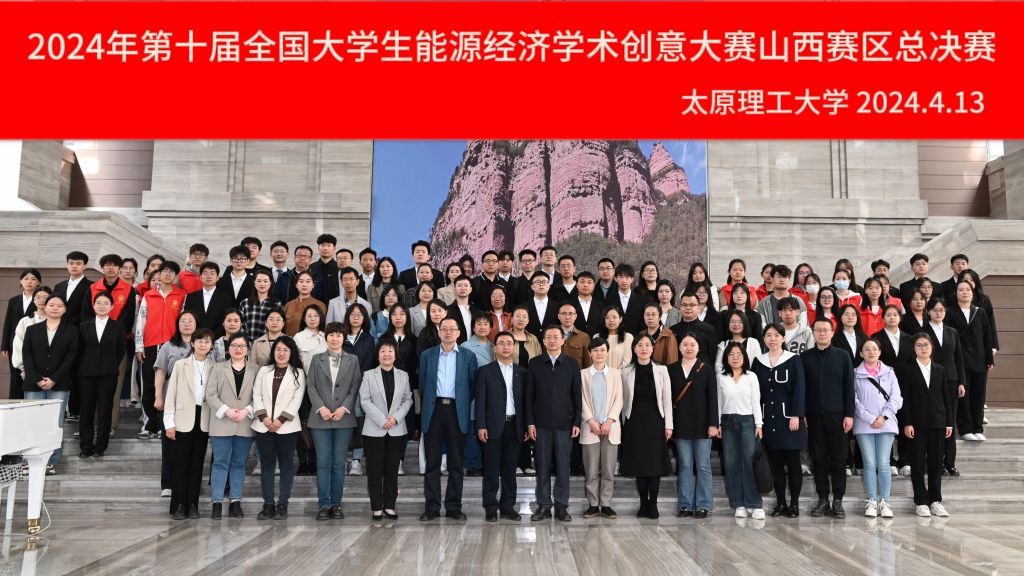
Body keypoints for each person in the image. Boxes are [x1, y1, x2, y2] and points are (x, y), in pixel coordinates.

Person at [419, 317, 478, 521]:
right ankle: (431, 507)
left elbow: (472, 386)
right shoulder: (427, 355)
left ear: (459, 333)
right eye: (444, 329)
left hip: (456, 411)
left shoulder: (468, 356)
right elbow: (423, 384)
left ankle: (454, 507)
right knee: (432, 463)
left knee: (456, 463)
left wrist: (460, 402)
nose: (448, 332)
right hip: (434, 410)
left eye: (452, 329)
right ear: (439, 332)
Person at [800, 319, 855, 519]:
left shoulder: (843, 356)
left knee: (839, 459)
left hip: (838, 416)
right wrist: (803, 414)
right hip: (814, 417)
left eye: (826, 330)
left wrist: (849, 414)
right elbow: (801, 389)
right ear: (813, 333)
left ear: (832, 333)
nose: (822, 333)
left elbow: (849, 387)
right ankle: (823, 499)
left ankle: (838, 500)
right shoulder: (805, 357)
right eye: (818, 330)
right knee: (819, 459)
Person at [526, 325, 581, 522]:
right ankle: (544, 505)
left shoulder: (572, 365)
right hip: (541, 425)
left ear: (562, 340)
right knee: (542, 466)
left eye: (556, 337)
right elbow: (529, 396)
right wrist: (530, 423)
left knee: (563, 466)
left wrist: (577, 422)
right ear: (543, 341)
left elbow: (577, 396)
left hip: (565, 425)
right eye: (548, 337)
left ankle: (561, 506)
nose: (552, 340)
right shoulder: (534, 364)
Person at [306, 322, 361, 520]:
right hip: (320, 418)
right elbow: (311, 385)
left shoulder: (353, 360)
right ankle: (324, 504)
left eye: (339, 335)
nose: (335, 338)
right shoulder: (316, 359)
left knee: (338, 463)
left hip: (343, 418)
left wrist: (343, 408)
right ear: (326, 337)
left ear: (344, 338)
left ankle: (336, 504)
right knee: (323, 462)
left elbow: (355, 386)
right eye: (331, 335)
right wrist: (320, 407)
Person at [752, 324, 807, 519]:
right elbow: (754, 392)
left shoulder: (793, 359)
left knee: (793, 464)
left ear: (783, 338)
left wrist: (796, 415)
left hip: (789, 420)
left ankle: (794, 503)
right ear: (764, 339)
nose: (772, 339)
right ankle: (781, 502)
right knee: (775, 465)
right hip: (768, 420)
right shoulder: (758, 362)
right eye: (768, 335)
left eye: (776, 335)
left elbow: (800, 389)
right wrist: (757, 420)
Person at [896, 333, 952, 518]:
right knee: (918, 463)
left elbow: (946, 398)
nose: (923, 348)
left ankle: (935, 501)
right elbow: (905, 399)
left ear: (931, 347)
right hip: (916, 424)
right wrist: (907, 423)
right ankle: (921, 501)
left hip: (938, 422)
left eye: (926, 345)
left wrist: (949, 423)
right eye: (919, 345)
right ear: (914, 348)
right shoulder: (907, 370)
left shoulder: (940, 369)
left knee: (936, 463)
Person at [22, 294, 79, 473]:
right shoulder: (32, 329)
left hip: (59, 384)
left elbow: (71, 357)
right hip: (34, 384)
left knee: (55, 423)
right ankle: (28, 460)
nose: (55, 308)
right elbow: (27, 356)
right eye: (51, 304)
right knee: (32, 422)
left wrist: (54, 378)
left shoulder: (72, 330)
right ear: (44, 307)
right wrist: (37, 379)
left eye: (59, 305)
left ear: (65, 309)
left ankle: (51, 460)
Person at [252, 336, 306, 520]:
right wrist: (265, 418)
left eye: (285, 350)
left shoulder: (298, 373)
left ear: (291, 353)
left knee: (286, 466)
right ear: (273, 352)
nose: (281, 353)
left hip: (287, 427)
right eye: (278, 349)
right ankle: (268, 504)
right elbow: (256, 395)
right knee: (267, 466)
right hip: (263, 426)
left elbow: (297, 400)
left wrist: (280, 420)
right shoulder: (264, 371)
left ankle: (283, 504)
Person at [163, 328, 215, 520]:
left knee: (197, 465)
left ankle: (192, 504)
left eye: (207, 341)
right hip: (183, 418)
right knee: (180, 464)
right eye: (199, 341)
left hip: (204, 419)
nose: (203, 344)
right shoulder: (180, 365)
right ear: (192, 343)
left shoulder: (214, 367)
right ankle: (178, 505)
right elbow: (171, 394)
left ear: (211, 345)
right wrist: (169, 422)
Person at [476, 331, 528, 522]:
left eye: (509, 343)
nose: (505, 346)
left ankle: (508, 507)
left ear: (514, 347)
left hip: (515, 426)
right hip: (492, 427)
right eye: (501, 343)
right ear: (495, 348)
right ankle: (490, 507)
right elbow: (480, 401)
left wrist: (526, 426)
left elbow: (526, 403)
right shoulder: (485, 371)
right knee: (491, 470)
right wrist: (481, 425)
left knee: (510, 471)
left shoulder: (522, 372)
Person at [360, 339, 414, 521]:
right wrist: (382, 420)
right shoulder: (369, 375)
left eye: (390, 351)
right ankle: (376, 507)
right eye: (383, 351)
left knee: (392, 469)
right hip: (374, 429)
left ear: (395, 355)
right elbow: (365, 400)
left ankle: (390, 506)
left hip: (396, 429)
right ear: (378, 355)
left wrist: (396, 417)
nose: (387, 354)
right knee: (374, 469)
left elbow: (408, 399)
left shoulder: (403, 375)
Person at [620, 334, 673, 519]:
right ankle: (643, 504)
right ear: (634, 349)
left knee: (654, 464)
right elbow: (623, 399)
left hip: (655, 421)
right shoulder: (625, 371)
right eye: (640, 345)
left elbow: (667, 399)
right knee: (640, 464)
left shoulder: (662, 370)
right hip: (633, 422)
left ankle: (654, 504)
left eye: (647, 345)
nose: (644, 348)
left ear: (652, 348)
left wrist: (669, 425)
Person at [205, 333, 257, 519]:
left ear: (247, 349)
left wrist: (247, 410)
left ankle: (235, 501)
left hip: (245, 422)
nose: (238, 349)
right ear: (228, 348)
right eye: (234, 345)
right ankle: (217, 502)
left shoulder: (256, 370)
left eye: (242, 346)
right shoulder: (218, 368)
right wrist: (226, 410)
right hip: (221, 423)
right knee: (220, 463)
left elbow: (260, 395)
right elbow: (210, 395)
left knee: (238, 464)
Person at [853, 338, 903, 519]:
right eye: (866, 349)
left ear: (880, 352)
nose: (871, 352)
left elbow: (897, 398)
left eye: (874, 348)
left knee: (883, 464)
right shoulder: (855, 374)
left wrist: (883, 417)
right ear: (861, 353)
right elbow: (853, 400)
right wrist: (869, 418)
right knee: (869, 464)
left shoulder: (889, 372)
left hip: (886, 424)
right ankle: (872, 501)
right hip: (864, 424)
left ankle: (885, 502)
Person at [135, 262, 187, 439]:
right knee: (149, 385)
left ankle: (165, 425)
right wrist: (139, 346)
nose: (168, 274)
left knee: (170, 386)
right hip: (150, 345)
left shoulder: (181, 295)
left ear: (176, 276)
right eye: (165, 271)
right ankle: (149, 424)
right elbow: (141, 321)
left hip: (173, 346)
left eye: (172, 272)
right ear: (159, 273)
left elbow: (184, 321)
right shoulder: (149, 295)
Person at [669, 334, 718, 518]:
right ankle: (685, 505)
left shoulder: (706, 369)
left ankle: (703, 505)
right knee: (685, 465)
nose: (689, 348)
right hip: (681, 424)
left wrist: (713, 423)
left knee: (703, 465)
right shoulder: (672, 369)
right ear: (679, 348)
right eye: (685, 344)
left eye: (692, 344)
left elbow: (713, 398)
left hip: (703, 425)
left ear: (698, 348)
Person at [716, 341, 765, 519]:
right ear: (726, 358)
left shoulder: (751, 376)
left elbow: (756, 401)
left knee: (749, 462)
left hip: (747, 421)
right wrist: (718, 423)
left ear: (744, 357)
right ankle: (738, 504)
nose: (735, 358)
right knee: (731, 463)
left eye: (739, 354)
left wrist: (759, 424)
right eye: (731, 354)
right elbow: (718, 402)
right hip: (727, 422)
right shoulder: (721, 378)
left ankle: (755, 504)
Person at [77, 292, 126, 458]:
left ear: (112, 306)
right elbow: (79, 350)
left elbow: (120, 350)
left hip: (108, 374)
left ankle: (100, 447)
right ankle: (86, 446)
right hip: (86, 374)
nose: (102, 306)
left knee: (105, 410)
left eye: (106, 303)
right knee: (86, 410)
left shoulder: (118, 326)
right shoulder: (84, 326)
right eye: (98, 302)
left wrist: (110, 364)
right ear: (93, 305)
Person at [578, 337, 622, 519]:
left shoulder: (615, 374)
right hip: (590, 428)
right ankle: (593, 504)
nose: (599, 353)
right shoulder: (582, 374)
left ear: (607, 352)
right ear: (590, 353)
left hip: (611, 428)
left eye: (602, 350)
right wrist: (591, 421)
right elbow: (580, 400)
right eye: (595, 350)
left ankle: (606, 504)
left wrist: (610, 420)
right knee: (591, 470)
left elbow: (619, 399)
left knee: (608, 470)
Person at [945, 279, 994, 442]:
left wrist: (989, 359)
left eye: (968, 289)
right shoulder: (950, 313)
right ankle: (965, 429)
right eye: (961, 290)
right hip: (960, 361)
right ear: (956, 293)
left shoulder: (980, 312)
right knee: (964, 396)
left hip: (979, 360)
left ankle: (978, 428)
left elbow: (987, 336)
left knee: (979, 396)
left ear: (972, 293)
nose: (964, 292)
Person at [925, 298, 966, 476]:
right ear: (929, 311)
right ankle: (936, 462)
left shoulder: (952, 332)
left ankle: (950, 462)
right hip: (930, 380)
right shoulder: (922, 332)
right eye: (935, 310)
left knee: (950, 420)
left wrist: (961, 382)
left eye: (941, 310)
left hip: (951, 379)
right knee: (934, 421)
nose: (938, 313)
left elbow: (959, 358)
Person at [383, 303, 419, 472]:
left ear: (407, 317)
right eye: (394, 314)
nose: (398, 317)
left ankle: (399, 460)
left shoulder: (414, 339)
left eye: (402, 314)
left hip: (407, 387)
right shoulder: (384, 338)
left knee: (402, 424)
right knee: (387, 422)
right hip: (385, 387)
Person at [3, 269, 42, 400]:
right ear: (21, 281)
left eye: (33, 279)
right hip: (15, 343)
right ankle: (14, 404)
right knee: (15, 377)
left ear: (39, 282)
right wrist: (4, 345)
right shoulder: (13, 300)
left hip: (34, 344)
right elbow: (8, 323)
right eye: (26, 278)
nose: (29, 282)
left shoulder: (41, 300)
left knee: (31, 375)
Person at [10, 286, 50, 402]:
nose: (41, 300)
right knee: (33, 405)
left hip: (53, 373)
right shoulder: (25, 321)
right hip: (30, 370)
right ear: (33, 300)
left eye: (45, 297)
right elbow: (18, 345)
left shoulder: (58, 322)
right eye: (38, 297)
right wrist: (23, 368)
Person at [183, 262, 233, 338]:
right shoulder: (191, 297)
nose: (209, 276)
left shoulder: (226, 297)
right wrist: (197, 336)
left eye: (212, 273)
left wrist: (212, 337)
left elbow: (226, 319)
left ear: (217, 277)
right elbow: (188, 318)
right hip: (195, 338)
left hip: (217, 339)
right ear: (200, 277)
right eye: (205, 273)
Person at [669, 292, 718, 365]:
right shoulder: (672, 330)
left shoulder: (709, 329)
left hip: (702, 370)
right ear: (680, 307)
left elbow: (713, 356)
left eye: (692, 305)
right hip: (678, 370)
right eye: (684, 305)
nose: (688, 308)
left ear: (698, 308)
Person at [755, 265, 807, 329]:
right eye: (779, 276)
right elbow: (763, 327)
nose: (782, 280)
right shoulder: (763, 303)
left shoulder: (798, 301)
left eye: (785, 277)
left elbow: (803, 326)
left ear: (789, 279)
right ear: (772, 279)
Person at [238, 270, 282, 341]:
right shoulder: (245, 303)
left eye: (265, 281)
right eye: (259, 281)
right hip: (247, 343)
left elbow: (279, 325)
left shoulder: (276, 304)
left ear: (270, 283)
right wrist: (247, 341)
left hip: (268, 343)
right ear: (254, 282)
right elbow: (240, 324)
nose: (262, 284)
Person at [715, 310, 762, 374]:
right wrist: (731, 377)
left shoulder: (753, 342)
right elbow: (718, 367)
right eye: (732, 321)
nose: (736, 324)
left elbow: (758, 365)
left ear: (745, 324)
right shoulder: (723, 345)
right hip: (727, 379)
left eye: (740, 322)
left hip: (749, 378)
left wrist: (746, 377)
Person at [283, 271, 327, 337]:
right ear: (296, 285)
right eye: (301, 281)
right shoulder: (289, 305)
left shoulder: (320, 305)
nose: (304, 284)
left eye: (308, 281)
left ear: (313, 285)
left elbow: (323, 328)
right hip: (289, 341)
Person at [446, 275, 480, 345]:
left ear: (470, 289)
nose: (463, 288)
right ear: (454, 289)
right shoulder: (447, 310)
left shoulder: (477, 311)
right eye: (459, 285)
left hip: (474, 347)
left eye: (466, 285)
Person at [293, 304, 328, 372]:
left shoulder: (326, 336)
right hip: (308, 376)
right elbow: (295, 362)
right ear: (304, 319)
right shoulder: (298, 337)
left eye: (316, 316)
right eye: (309, 316)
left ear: (320, 318)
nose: (313, 319)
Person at [612, 264, 645, 335]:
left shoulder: (641, 300)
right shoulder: (609, 300)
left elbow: (643, 322)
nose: (624, 281)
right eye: (620, 277)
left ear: (632, 279)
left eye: (627, 277)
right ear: (615, 278)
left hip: (636, 338)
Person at [525, 271, 559, 338]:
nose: (541, 284)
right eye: (537, 282)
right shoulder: (524, 307)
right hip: (530, 341)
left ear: (549, 286)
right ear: (532, 287)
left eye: (544, 282)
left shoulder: (557, 307)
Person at [573, 272, 606, 336]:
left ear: (593, 286)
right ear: (576, 285)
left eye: (589, 282)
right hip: (575, 339)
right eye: (582, 282)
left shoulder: (601, 305)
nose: (586, 285)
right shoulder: (569, 304)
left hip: (596, 340)